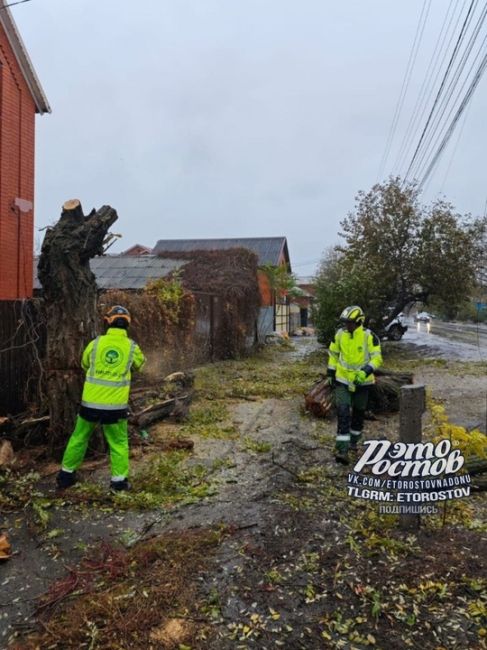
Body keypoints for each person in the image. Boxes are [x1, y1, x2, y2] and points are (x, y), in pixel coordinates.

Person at [56, 305, 145, 491]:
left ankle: (65, 476)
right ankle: (119, 484)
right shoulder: (132, 347)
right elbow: (139, 366)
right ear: (127, 325)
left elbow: (84, 363)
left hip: (90, 405)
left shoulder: (95, 344)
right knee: (118, 443)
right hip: (115, 408)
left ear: (107, 322)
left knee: (79, 437)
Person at [327, 305, 382, 465]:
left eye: (349, 323)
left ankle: (353, 441)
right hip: (343, 380)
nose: (346, 326)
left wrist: (365, 371)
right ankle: (342, 450)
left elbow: (377, 358)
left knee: (358, 413)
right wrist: (331, 372)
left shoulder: (369, 337)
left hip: (362, 383)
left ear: (359, 322)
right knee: (343, 413)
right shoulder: (339, 335)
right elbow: (333, 354)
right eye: (345, 323)